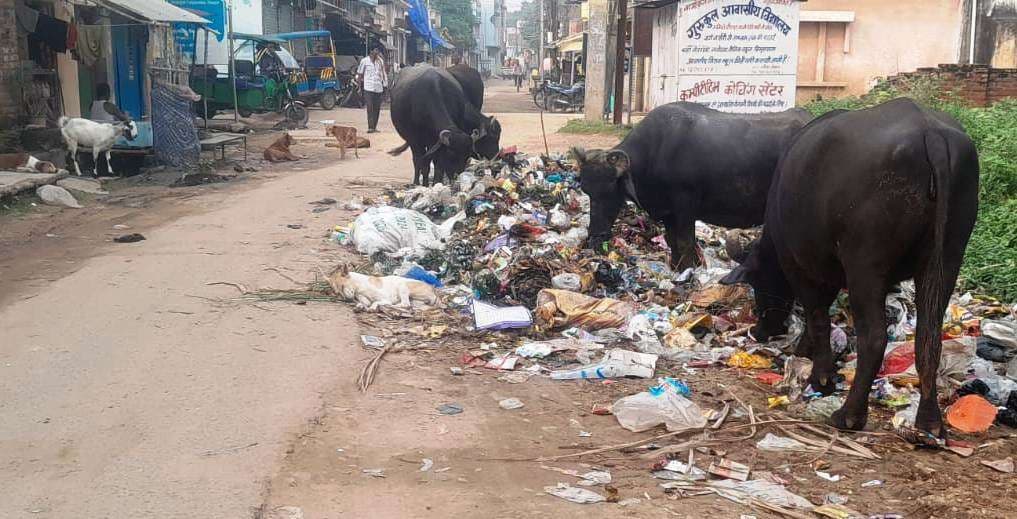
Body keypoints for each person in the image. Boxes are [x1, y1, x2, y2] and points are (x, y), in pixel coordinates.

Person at [356, 45, 388, 133]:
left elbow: (383, 74)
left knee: (377, 108)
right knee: (369, 107)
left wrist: (385, 85)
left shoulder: (380, 61)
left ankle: (374, 127)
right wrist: (359, 87)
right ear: (371, 51)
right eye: (376, 50)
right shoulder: (364, 61)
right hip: (368, 87)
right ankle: (370, 127)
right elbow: (359, 74)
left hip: (378, 88)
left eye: (378, 50)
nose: (377, 52)